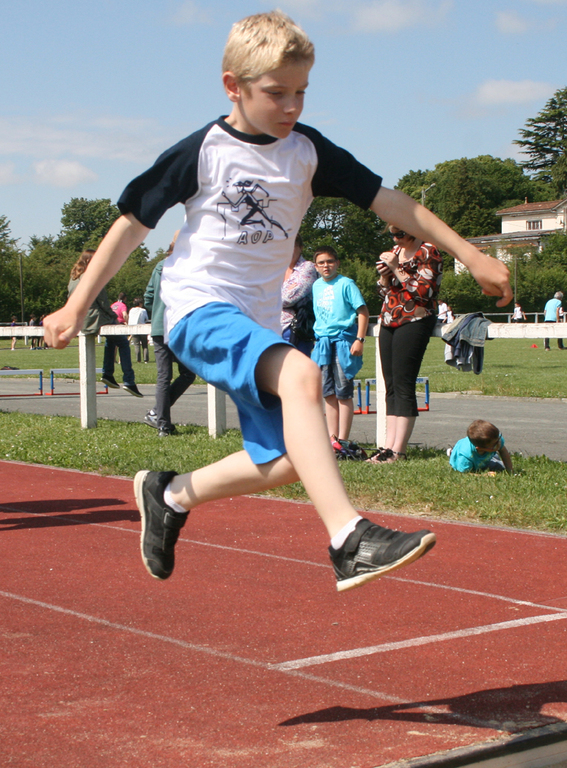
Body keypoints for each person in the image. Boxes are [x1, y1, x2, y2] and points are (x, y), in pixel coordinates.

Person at [43, 11, 512, 593]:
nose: (291, 106)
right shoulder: (203, 151)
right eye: (276, 93)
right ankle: (349, 539)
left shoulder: (307, 152)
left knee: (291, 459)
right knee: (303, 375)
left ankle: (169, 494)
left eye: (301, 92)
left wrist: (471, 254)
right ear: (232, 86)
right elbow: (132, 225)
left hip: (256, 319)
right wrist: (76, 305)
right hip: (197, 307)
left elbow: (392, 202)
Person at [368, 226, 443, 464]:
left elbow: (423, 292)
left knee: (403, 384)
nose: (395, 238)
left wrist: (396, 268)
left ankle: (398, 451)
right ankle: (387, 447)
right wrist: (384, 276)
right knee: (390, 385)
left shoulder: (428, 251)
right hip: (389, 318)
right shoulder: (396, 251)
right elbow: (383, 292)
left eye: (399, 233)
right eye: (392, 234)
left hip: (415, 318)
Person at [311, 246, 369, 446]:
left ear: (337, 263)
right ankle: (332, 439)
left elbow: (363, 311)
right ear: (315, 266)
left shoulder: (346, 284)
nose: (326, 266)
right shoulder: (316, 286)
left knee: (343, 391)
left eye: (330, 261)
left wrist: (359, 339)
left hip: (344, 342)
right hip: (323, 343)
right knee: (328, 392)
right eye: (321, 263)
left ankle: (343, 440)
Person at [68, 251, 143, 398]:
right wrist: (114, 317)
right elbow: (103, 303)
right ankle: (129, 380)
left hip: (81, 319)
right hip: (95, 318)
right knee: (123, 342)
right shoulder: (93, 277)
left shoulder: (73, 279)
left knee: (112, 339)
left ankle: (108, 373)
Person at [143, 239, 196, 436]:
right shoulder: (185, 267)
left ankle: (160, 420)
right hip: (178, 327)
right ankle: (159, 417)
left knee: (164, 377)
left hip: (159, 326)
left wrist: (158, 312)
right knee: (187, 373)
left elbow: (148, 297)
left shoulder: (159, 267)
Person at [280, 233, 317, 356]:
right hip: (272, 328)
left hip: (295, 329)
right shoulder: (277, 269)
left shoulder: (307, 267)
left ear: (301, 247)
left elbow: (288, 298)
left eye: (292, 246)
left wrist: (268, 298)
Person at [449, 419, 513, 475]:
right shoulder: (466, 457)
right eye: (495, 444)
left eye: (499, 438)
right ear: (480, 448)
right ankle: (453, 452)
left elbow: (503, 451)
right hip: (470, 459)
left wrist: (510, 470)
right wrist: (484, 475)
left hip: (486, 455)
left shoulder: (496, 439)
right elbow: (464, 474)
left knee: (501, 466)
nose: (499, 443)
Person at [128, 297, 150, 363]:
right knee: (144, 345)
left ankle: (138, 360)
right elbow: (146, 319)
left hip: (134, 329)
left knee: (136, 345)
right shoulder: (143, 310)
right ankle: (146, 359)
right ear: (140, 303)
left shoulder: (131, 310)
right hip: (142, 328)